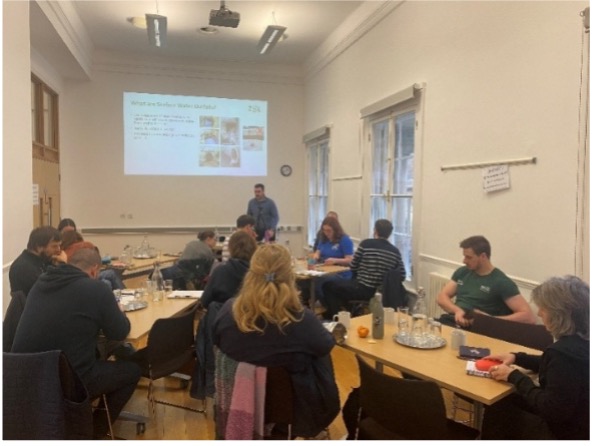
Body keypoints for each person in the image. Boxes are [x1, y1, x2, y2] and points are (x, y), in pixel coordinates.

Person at [11, 247, 141, 439]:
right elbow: (119, 332)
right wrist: (119, 311)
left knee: (95, 350)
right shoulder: (97, 289)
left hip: (25, 377)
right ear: (94, 270)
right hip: (69, 381)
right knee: (132, 371)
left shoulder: (42, 282)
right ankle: (94, 433)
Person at [213, 244, 340, 438]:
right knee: (318, 356)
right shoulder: (301, 319)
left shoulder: (228, 311)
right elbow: (325, 345)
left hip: (237, 398)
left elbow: (216, 340)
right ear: (290, 276)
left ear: (251, 274)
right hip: (292, 408)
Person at [481, 275, 589, 440]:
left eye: (543, 309)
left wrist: (514, 376)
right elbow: (555, 368)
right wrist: (516, 357)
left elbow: (551, 410)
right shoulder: (580, 343)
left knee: (499, 405)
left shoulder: (562, 354)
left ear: (558, 314)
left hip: (564, 433)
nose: (539, 313)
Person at [437, 235, 536, 328]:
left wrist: (488, 320)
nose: (464, 261)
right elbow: (442, 297)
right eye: (464, 256)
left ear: (483, 256)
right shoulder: (463, 272)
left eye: (469, 257)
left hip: (478, 328)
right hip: (453, 320)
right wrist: (457, 311)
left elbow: (528, 317)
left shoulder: (501, 282)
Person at [321, 219, 406, 320]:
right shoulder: (395, 252)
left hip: (362, 288)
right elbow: (402, 275)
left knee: (327, 285)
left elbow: (353, 266)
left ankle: (337, 317)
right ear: (390, 234)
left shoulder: (366, 244)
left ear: (375, 231)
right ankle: (349, 312)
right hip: (382, 293)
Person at [201, 231, 258, 308]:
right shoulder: (258, 273)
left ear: (230, 249)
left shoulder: (220, 271)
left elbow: (205, 301)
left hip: (221, 314)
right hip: (250, 314)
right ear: (254, 248)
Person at [9, 226, 66, 297]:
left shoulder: (44, 260)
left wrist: (57, 265)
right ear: (39, 247)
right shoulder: (22, 267)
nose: (59, 250)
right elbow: (52, 290)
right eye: (54, 246)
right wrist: (62, 265)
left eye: (59, 245)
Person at [311, 216, 353, 306]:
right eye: (324, 230)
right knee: (308, 281)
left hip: (341, 273)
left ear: (335, 229)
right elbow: (317, 252)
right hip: (325, 269)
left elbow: (349, 260)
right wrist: (314, 258)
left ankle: (327, 305)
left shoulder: (344, 240)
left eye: (329, 230)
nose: (326, 233)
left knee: (318, 281)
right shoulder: (323, 239)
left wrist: (335, 260)